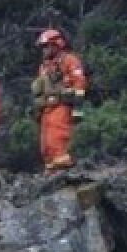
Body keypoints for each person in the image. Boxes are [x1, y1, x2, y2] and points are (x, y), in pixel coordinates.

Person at [32, 29, 87, 173]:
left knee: (58, 138)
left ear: (56, 45)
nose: (44, 50)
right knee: (45, 145)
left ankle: (63, 171)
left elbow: (79, 85)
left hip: (61, 105)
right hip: (46, 109)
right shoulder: (43, 67)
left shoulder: (70, 60)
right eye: (43, 47)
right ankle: (50, 172)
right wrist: (38, 111)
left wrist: (78, 110)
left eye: (46, 46)